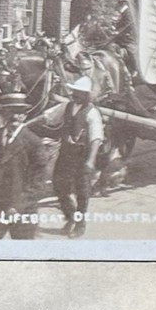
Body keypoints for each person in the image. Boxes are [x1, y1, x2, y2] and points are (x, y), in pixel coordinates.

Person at [0, 92, 54, 239]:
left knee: (22, 254)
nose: (14, 117)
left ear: (24, 116)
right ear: (3, 114)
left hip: (23, 210)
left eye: (19, 112)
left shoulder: (34, 142)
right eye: (10, 111)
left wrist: (17, 206)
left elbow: (38, 182)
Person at [49, 76, 105, 238]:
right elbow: (50, 117)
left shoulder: (92, 112)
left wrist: (90, 160)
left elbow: (96, 138)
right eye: (74, 91)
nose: (75, 94)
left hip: (82, 155)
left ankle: (80, 224)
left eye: (79, 92)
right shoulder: (67, 106)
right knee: (59, 184)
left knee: (82, 191)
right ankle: (71, 215)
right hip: (66, 153)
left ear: (86, 95)